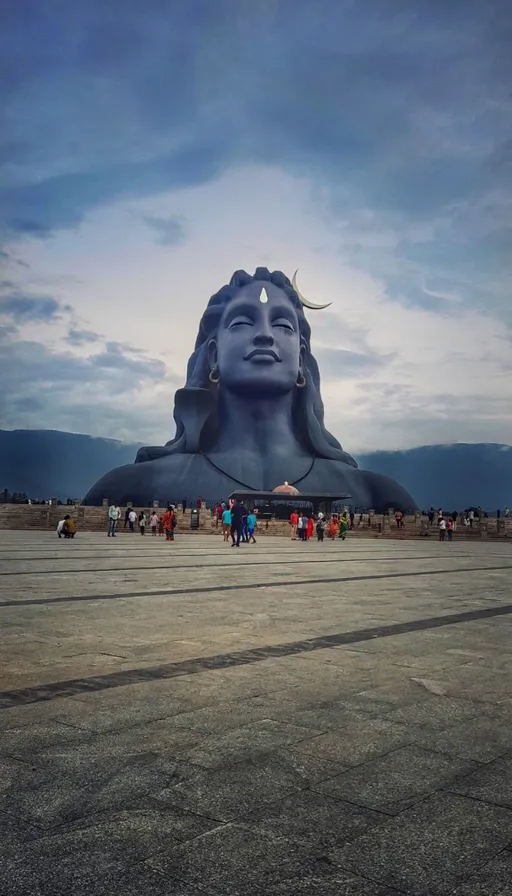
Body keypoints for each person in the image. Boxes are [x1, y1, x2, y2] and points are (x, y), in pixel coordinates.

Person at [85, 269, 417, 512]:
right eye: (243, 322)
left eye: (282, 325)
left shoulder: (376, 493)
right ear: (213, 354)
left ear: (301, 359)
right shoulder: (133, 485)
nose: (264, 335)